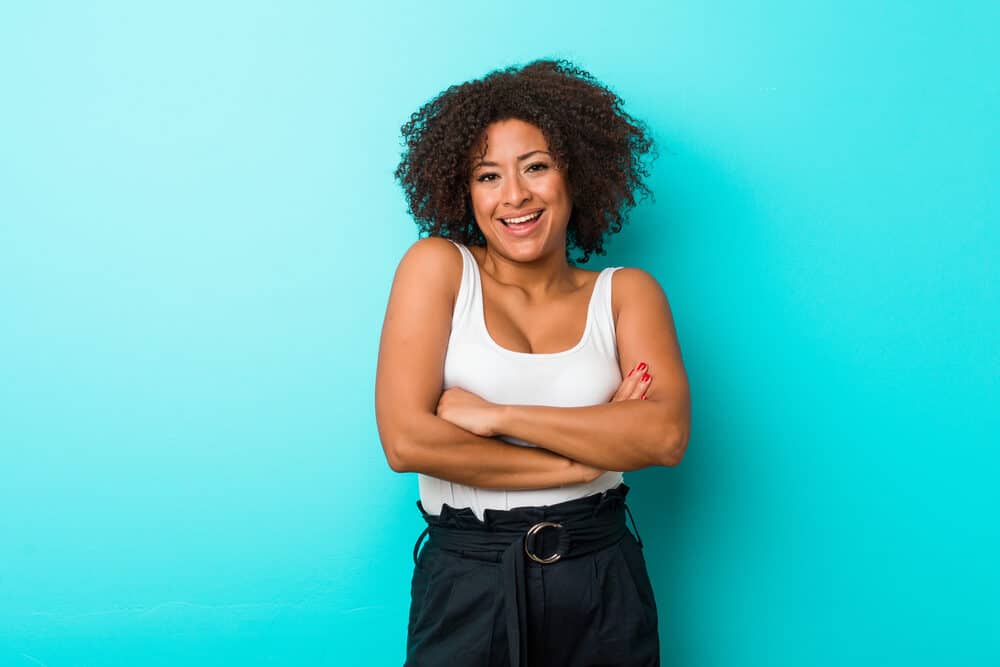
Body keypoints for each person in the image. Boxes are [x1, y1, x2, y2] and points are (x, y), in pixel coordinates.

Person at [375, 59, 691, 667]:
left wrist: (495, 415)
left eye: (536, 167)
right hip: (469, 578)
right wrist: (585, 453)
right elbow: (407, 440)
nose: (514, 196)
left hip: (602, 577)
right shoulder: (438, 268)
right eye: (487, 176)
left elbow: (665, 435)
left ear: (575, 174)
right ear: (464, 192)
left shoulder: (626, 294)